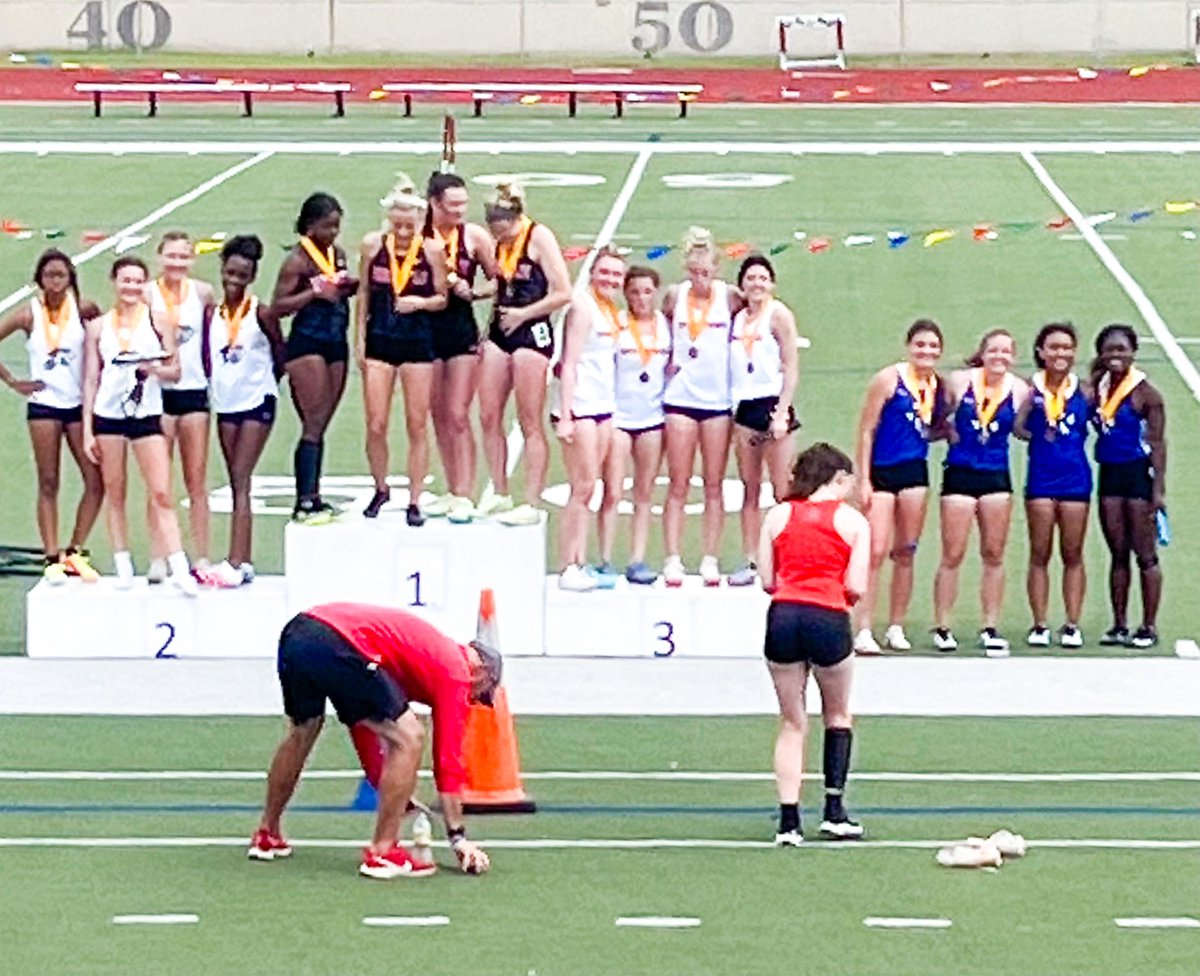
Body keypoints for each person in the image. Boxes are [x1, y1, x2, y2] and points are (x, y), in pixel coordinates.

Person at [249, 602, 499, 879]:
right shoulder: (457, 673)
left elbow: (362, 722)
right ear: (482, 672)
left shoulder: (421, 657)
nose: (473, 701)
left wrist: (388, 785)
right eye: (481, 694)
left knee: (303, 730)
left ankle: (267, 833)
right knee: (410, 735)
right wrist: (457, 837)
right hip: (340, 641)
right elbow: (448, 760)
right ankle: (384, 852)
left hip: (300, 633)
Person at [758, 442, 869, 846]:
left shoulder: (779, 515)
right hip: (828, 615)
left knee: (791, 721)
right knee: (837, 714)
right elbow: (856, 585)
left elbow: (768, 579)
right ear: (837, 478)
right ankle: (834, 810)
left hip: (784, 616)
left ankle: (789, 819)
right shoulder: (853, 522)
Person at [81, 255, 197, 595]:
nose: (130, 286)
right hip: (109, 416)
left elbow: (175, 370)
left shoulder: (159, 320)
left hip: (146, 415)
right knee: (115, 492)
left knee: (161, 492)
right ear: (114, 282)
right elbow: (91, 378)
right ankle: (123, 564)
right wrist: (88, 429)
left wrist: (152, 370)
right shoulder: (99, 327)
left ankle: (178, 566)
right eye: (124, 280)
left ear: (144, 284)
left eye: (136, 281)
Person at [0, 250, 104, 583]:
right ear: (39, 280)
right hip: (44, 405)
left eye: (61, 275)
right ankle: (50, 556)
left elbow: (106, 345)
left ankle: (75, 549)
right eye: (49, 276)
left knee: (95, 479)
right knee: (49, 481)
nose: (55, 282)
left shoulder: (85, 310)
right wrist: (14, 382)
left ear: (71, 278)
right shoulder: (28, 315)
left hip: (77, 406)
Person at [354, 176, 448, 526]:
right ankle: (380, 487)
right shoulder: (372, 245)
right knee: (376, 423)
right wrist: (359, 340)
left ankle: (415, 498)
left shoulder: (432, 251)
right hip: (380, 340)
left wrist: (419, 303)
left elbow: (442, 298)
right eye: (398, 222)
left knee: (416, 424)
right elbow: (363, 292)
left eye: (410, 223)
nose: (404, 229)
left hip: (417, 344)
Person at [477, 181, 572, 526]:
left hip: (531, 330)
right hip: (499, 329)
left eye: (497, 227)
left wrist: (523, 314)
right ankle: (499, 491)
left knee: (529, 419)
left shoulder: (538, 236)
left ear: (511, 219)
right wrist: (477, 295)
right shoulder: (499, 242)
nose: (494, 234)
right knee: (488, 414)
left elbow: (562, 292)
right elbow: (505, 281)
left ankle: (531, 498)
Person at [932, 329, 1029, 654]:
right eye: (994, 351)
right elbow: (937, 413)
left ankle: (990, 625)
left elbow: (1028, 427)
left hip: (996, 477)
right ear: (983, 353)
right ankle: (943, 626)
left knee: (994, 554)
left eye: (1006, 352)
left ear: (1013, 357)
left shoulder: (1019, 390)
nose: (999, 357)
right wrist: (946, 430)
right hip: (959, 474)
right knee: (952, 554)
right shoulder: (960, 382)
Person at [854, 320, 944, 654]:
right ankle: (863, 627)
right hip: (882, 471)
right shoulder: (889, 379)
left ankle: (896, 625)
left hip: (914, 472)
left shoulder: (937, 385)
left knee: (906, 551)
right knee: (875, 551)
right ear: (909, 347)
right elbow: (866, 429)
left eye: (933, 346)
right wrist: (863, 478)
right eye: (921, 345)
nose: (926, 351)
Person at [661, 227, 741, 587]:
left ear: (716, 266)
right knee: (678, 483)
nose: (699, 277)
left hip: (718, 403)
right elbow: (659, 331)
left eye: (705, 271)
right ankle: (673, 558)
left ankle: (710, 558)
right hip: (680, 399)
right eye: (693, 271)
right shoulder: (674, 296)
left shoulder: (731, 297)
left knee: (713, 484)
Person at [272, 192, 358, 524]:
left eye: (337, 226)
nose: (334, 232)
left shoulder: (336, 254)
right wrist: (313, 293)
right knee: (312, 421)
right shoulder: (297, 260)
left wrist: (347, 286)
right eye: (327, 226)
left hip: (336, 339)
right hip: (307, 342)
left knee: (322, 423)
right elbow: (278, 306)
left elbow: (336, 289)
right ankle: (304, 499)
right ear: (310, 226)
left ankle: (315, 496)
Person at [206, 235, 284, 587]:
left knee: (240, 478)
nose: (234, 280)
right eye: (230, 272)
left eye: (242, 275)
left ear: (252, 277)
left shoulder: (261, 313)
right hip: (225, 403)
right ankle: (245, 559)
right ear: (223, 270)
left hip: (257, 401)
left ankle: (235, 561)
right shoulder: (212, 314)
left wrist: (267, 383)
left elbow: (280, 355)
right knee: (238, 479)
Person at [424, 172, 497, 522]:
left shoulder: (474, 237)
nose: (460, 210)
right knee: (437, 414)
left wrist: (477, 292)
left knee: (457, 413)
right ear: (434, 203)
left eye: (463, 203)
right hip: (424, 330)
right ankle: (451, 488)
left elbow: (504, 277)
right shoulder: (420, 236)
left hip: (460, 330)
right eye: (452, 205)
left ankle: (465, 493)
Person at [1014, 323, 1092, 648]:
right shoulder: (1029, 391)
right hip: (1041, 479)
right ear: (1041, 352)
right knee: (1040, 553)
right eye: (1054, 347)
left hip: (1076, 479)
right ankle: (1040, 623)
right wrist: (1039, 435)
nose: (1060, 353)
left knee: (1073, 553)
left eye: (1066, 347)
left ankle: (1072, 624)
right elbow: (1017, 428)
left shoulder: (1086, 390)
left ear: (1074, 352)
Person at [1089, 324, 1166, 649]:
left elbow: (1159, 444)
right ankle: (1119, 624)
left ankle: (1148, 625)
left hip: (1138, 477)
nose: (1115, 355)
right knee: (1117, 553)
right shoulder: (1098, 387)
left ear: (1133, 352)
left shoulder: (1147, 393)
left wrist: (1158, 491)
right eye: (1109, 350)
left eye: (1121, 349)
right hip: (1109, 474)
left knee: (1145, 555)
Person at [727, 255, 802, 587]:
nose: (757, 284)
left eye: (763, 278)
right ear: (742, 284)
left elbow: (791, 365)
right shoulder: (738, 316)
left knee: (783, 489)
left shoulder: (779, 314)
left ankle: (788, 560)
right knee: (750, 488)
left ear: (771, 284)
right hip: (744, 409)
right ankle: (752, 559)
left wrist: (783, 411)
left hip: (773, 406)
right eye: (750, 278)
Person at [554, 246, 623, 591]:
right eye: (605, 272)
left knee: (591, 486)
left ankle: (579, 561)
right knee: (581, 487)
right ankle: (568, 565)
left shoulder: (610, 310)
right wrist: (565, 415)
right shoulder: (582, 307)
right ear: (593, 273)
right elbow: (570, 361)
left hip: (602, 406)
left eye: (616, 275)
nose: (610, 279)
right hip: (579, 405)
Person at [149, 232, 216, 582]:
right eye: (171, 256)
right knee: (160, 482)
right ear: (160, 257)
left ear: (192, 260)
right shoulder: (147, 294)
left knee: (196, 480)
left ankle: (202, 555)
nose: (176, 263)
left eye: (183, 257)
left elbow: (210, 338)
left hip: (194, 392)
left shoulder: (203, 293)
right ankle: (159, 556)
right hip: (158, 394)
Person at [598, 266, 670, 585]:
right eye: (634, 292)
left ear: (656, 293)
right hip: (619, 419)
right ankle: (604, 558)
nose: (641, 298)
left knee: (644, 492)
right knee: (613, 491)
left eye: (647, 291)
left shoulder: (666, 326)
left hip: (653, 419)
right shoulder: (617, 324)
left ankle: (637, 559)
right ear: (625, 294)